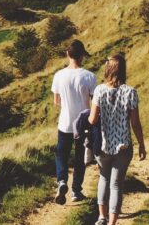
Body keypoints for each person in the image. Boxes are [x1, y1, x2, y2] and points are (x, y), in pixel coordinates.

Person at [89, 53, 146, 225]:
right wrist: (142, 145)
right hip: (123, 146)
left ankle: (101, 218)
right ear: (123, 70)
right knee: (116, 185)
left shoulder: (99, 90)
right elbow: (135, 123)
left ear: (108, 69)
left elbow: (92, 120)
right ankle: (112, 222)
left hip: (103, 145)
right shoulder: (131, 92)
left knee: (103, 179)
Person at [51, 40, 96, 205]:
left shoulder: (59, 75)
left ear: (67, 54)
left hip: (65, 122)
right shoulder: (90, 76)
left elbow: (57, 101)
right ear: (82, 55)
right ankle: (76, 191)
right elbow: (94, 103)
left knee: (61, 154)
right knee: (79, 158)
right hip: (83, 124)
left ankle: (62, 181)